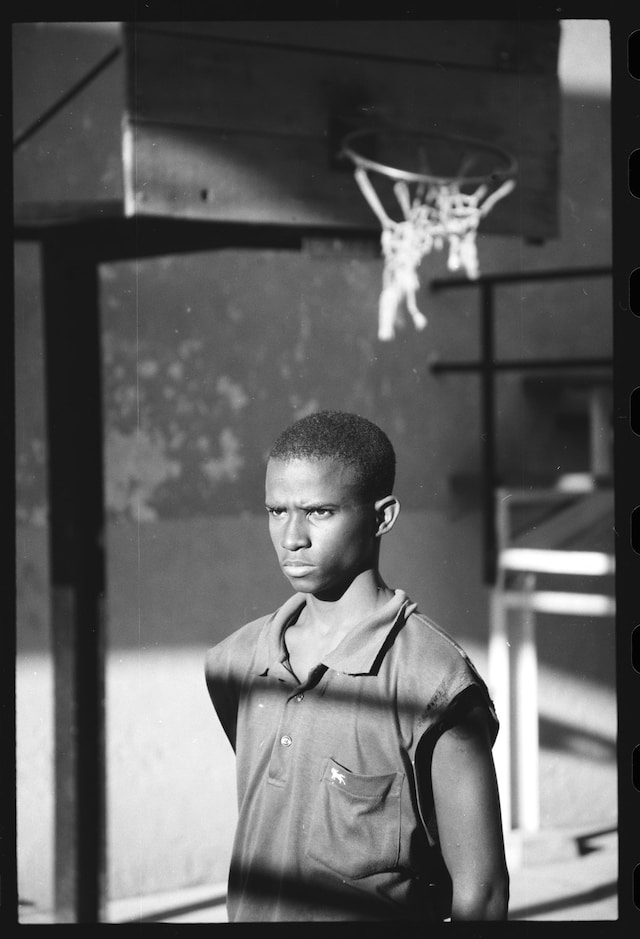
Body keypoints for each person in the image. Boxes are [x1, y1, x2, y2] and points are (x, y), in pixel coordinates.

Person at [205, 410, 509, 922]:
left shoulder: (432, 681)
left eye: (319, 512)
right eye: (277, 511)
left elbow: (482, 894)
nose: (291, 537)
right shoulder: (237, 659)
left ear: (382, 516)